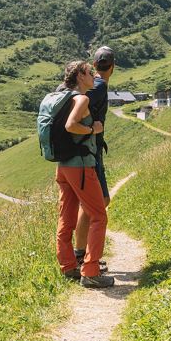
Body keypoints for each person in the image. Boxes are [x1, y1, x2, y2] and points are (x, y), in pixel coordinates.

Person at [55, 60, 115, 288]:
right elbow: (71, 125)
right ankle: (90, 271)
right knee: (99, 215)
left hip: (62, 166)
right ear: (80, 76)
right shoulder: (81, 98)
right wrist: (92, 129)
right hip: (80, 166)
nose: (94, 76)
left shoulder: (61, 97)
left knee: (66, 217)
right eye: (90, 72)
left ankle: (68, 266)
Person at [73, 46, 114, 271]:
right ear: (113, 67)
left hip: (91, 149)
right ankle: (85, 256)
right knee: (97, 203)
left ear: (95, 65)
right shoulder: (98, 88)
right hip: (90, 150)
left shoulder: (97, 85)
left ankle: (83, 253)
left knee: (93, 203)